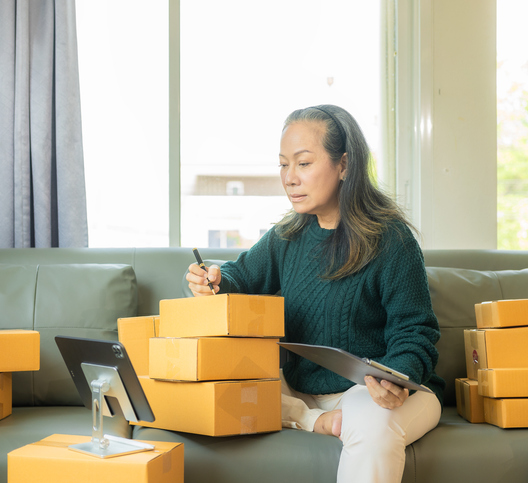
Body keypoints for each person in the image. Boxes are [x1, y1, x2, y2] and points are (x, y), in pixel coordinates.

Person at [186, 105, 445, 483]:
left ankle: (314, 420)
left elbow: (416, 330)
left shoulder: (390, 239)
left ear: (344, 165)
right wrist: (209, 279)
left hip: (374, 392)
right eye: (282, 165)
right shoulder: (286, 236)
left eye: (303, 164)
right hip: (301, 391)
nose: (289, 178)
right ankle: (314, 419)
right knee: (216, 394)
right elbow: (237, 277)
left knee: (373, 424)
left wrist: (397, 378)